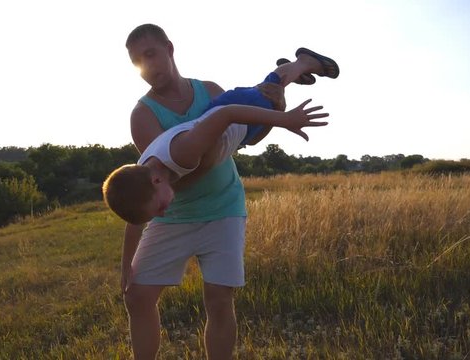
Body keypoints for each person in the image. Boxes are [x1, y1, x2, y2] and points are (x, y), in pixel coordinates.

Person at [120, 23, 338, 359]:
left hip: (223, 207)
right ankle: (295, 67)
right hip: (174, 217)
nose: (147, 66)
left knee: (220, 298)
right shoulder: (144, 116)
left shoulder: (207, 90)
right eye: (138, 60)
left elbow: (243, 137)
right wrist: (125, 265)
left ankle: (299, 65)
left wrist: (276, 117)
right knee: (137, 296)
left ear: (169, 48)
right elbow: (150, 194)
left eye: (151, 54)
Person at [103, 98, 329, 224]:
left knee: (273, 91)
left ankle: (300, 64)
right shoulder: (144, 171)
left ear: (155, 181)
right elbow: (136, 216)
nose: (163, 213)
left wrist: (286, 120)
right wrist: (127, 264)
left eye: (159, 208)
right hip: (227, 130)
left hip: (242, 118)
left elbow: (228, 113)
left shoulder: (181, 153)